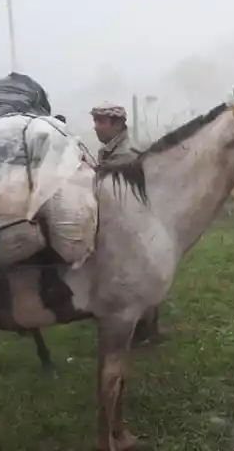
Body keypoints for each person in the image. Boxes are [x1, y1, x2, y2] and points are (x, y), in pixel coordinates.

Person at [89, 102, 163, 346]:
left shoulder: (127, 154)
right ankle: (144, 328)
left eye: (101, 122)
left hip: (131, 223)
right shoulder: (109, 150)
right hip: (119, 221)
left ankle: (145, 330)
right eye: (95, 121)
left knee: (136, 278)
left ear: (117, 124)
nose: (96, 127)